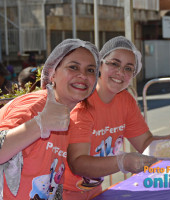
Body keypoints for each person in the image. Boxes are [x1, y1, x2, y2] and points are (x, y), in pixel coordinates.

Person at [63, 36, 170, 200]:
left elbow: (145, 143)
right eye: (114, 63)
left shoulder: (125, 100)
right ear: (100, 65)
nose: (120, 72)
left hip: (95, 191)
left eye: (128, 68)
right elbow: (78, 163)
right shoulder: (83, 103)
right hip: (64, 194)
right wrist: (122, 162)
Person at [0, 38, 100, 199]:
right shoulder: (36, 105)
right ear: (53, 73)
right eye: (73, 67)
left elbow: (53, 183)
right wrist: (40, 123)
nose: (83, 75)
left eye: (90, 70)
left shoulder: (63, 117)